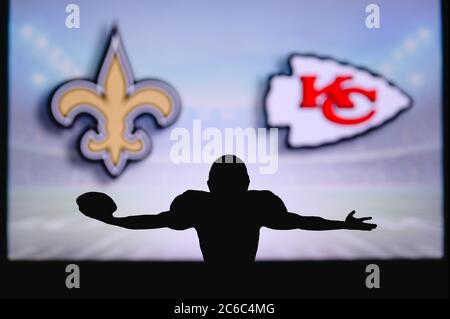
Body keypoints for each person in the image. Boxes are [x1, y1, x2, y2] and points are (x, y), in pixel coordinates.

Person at [77, 154, 376, 263]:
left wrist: (113, 220)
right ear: (247, 181)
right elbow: (300, 221)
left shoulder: (197, 204)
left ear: (209, 183)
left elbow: (153, 221)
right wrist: (343, 224)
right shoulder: (258, 204)